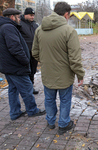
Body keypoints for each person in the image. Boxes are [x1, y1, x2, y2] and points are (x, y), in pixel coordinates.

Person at [32, 2, 85, 135]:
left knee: (49, 99)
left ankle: (50, 122)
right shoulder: (69, 31)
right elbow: (74, 58)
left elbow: (35, 52)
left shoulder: (39, 29)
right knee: (65, 100)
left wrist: (46, 61)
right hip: (64, 75)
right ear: (66, 14)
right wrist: (80, 74)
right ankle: (63, 124)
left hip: (47, 73)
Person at [0, 8, 46, 121]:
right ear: (12, 17)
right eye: (17, 16)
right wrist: (25, 61)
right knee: (27, 88)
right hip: (16, 66)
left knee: (13, 89)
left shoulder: (5, 26)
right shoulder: (9, 27)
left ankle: (15, 112)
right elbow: (15, 47)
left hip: (8, 66)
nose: (19, 18)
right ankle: (32, 110)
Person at [20, 7, 39, 94]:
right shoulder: (20, 25)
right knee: (25, 71)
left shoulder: (35, 25)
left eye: (33, 15)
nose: (32, 17)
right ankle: (26, 89)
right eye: (31, 15)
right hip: (25, 52)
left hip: (34, 53)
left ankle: (31, 87)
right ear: (25, 15)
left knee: (33, 70)